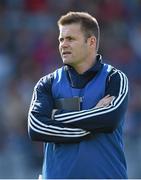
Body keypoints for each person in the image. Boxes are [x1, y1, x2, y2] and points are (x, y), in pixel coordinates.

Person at [28, 11, 129, 179]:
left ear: (91, 42)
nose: (63, 45)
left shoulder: (115, 78)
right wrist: (88, 127)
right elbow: (36, 127)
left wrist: (54, 116)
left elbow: (109, 120)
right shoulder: (47, 83)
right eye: (61, 39)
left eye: (70, 39)